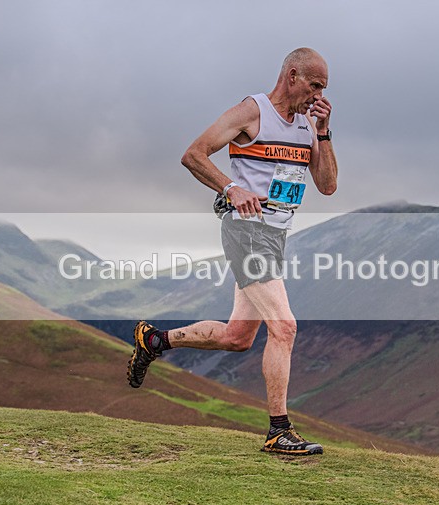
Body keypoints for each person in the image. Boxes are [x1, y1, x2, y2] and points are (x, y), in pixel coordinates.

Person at [127, 47, 337, 455]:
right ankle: (279, 430)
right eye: (315, 86)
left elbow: (327, 185)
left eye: (324, 89)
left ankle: (154, 340)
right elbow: (193, 154)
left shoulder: (308, 127)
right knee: (285, 327)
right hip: (246, 230)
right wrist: (231, 187)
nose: (318, 95)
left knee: (238, 336)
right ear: (292, 75)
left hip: (275, 236)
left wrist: (324, 132)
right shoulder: (252, 112)